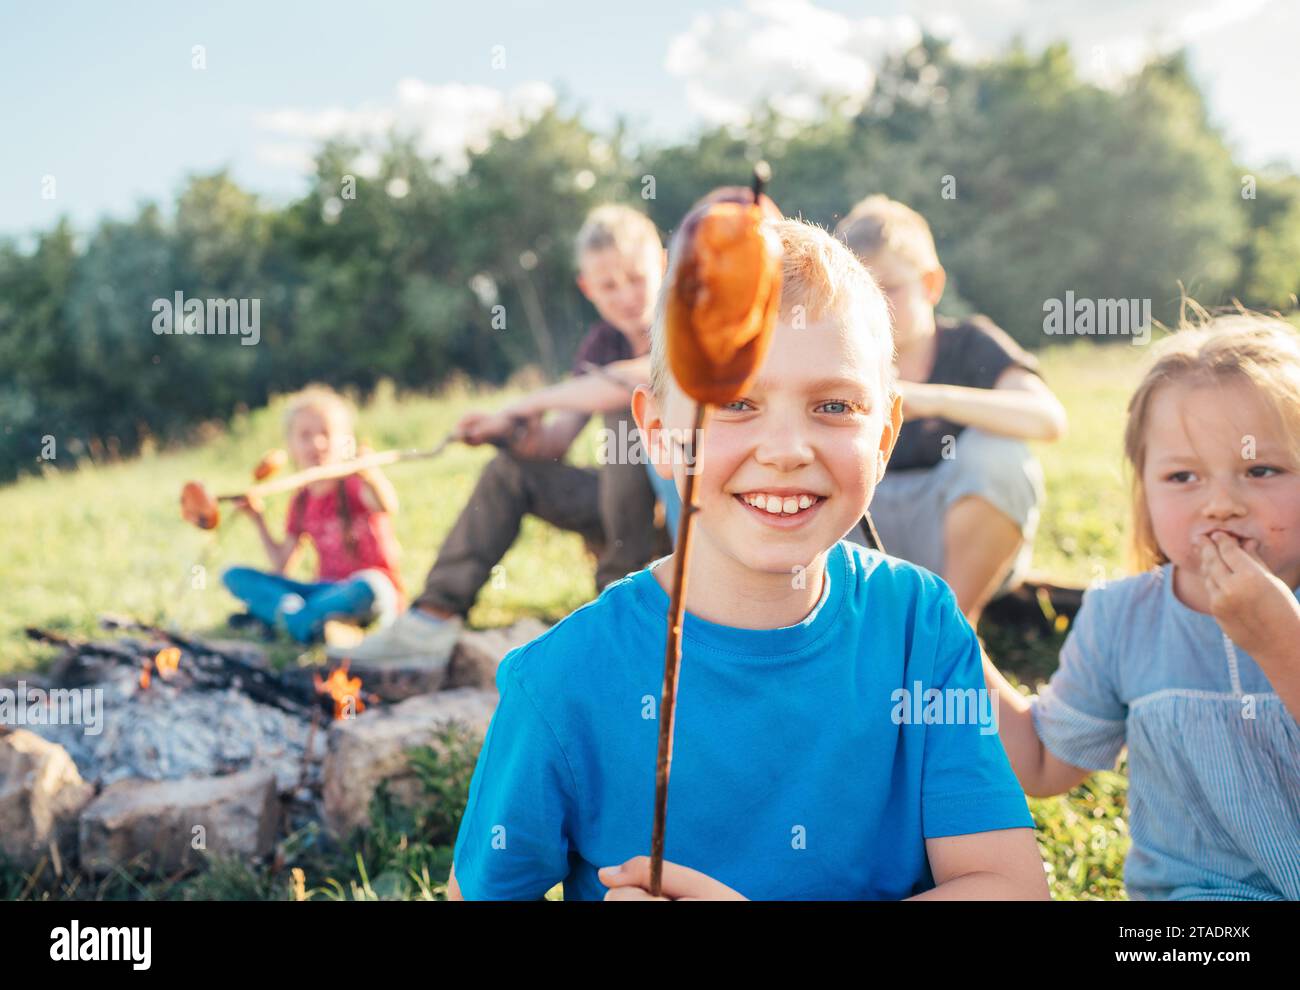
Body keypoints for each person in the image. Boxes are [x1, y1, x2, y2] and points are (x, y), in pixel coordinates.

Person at [446, 218, 1048, 900]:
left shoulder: (922, 628)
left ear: (884, 437)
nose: (786, 448)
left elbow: (1008, 887)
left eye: (833, 404)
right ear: (659, 435)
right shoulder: (559, 683)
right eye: (734, 402)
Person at [984, 313, 1300, 900]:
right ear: (1145, 491)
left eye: (1262, 470)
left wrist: (1281, 641)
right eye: (1183, 476)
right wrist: (947, 638)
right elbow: (1044, 765)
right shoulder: (1121, 618)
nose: (1222, 504)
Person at [332, 204, 672, 667]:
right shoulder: (600, 344)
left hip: (681, 517)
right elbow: (554, 444)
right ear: (587, 288)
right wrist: (506, 433)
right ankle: (432, 618)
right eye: (608, 285)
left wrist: (523, 403)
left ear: (664, 265)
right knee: (512, 471)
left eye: (636, 277)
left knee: (623, 413)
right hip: (618, 510)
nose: (626, 295)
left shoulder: (683, 328)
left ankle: (623, 613)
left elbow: (636, 379)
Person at [835, 196, 1067, 624]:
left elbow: (1048, 418)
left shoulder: (970, 344)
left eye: (890, 288)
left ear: (931, 284)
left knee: (999, 452)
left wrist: (929, 398)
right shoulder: (834, 357)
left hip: (950, 538)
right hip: (856, 539)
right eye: (863, 292)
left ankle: (954, 628)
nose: (875, 307)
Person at [221, 385, 403, 644]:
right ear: (291, 446)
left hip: (363, 593)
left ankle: (284, 620)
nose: (317, 443)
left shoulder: (355, 483)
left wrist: (371, 474)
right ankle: (313, 624)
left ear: (346, 442)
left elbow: (387, 505)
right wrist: (257, 520)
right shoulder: (301, 500)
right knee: (234, 576)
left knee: (373, 586)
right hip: (322, 591)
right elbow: (283, 565)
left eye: (326, 434)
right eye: (305, 436)